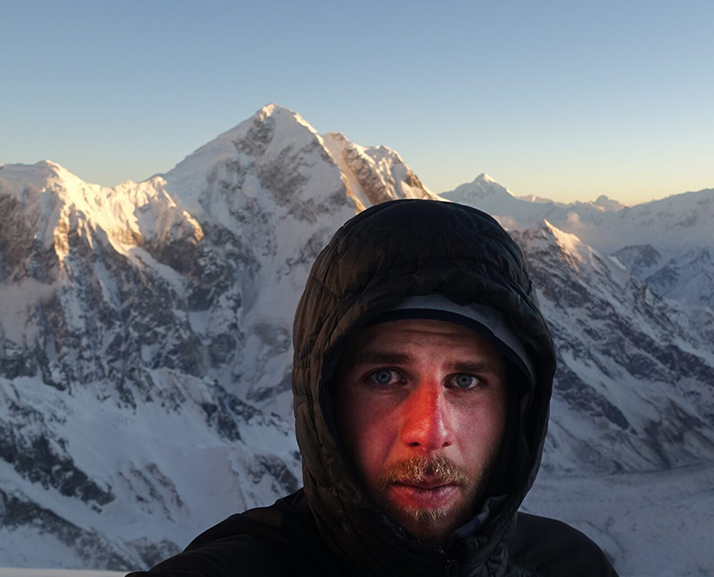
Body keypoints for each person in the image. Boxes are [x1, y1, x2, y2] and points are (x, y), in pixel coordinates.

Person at [129, 200, 618, 576]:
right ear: (325, 402)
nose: (430, 432)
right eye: (385, 377)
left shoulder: (570, 567)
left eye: (465, 380)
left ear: (516, 406)